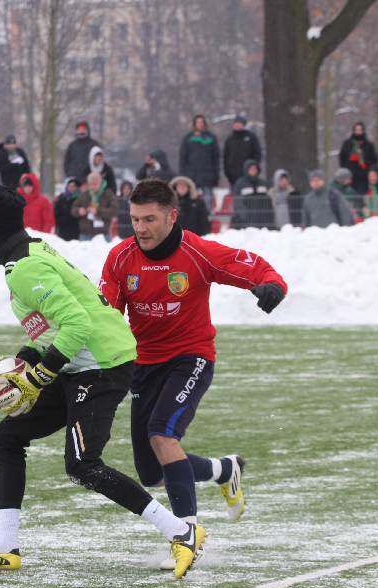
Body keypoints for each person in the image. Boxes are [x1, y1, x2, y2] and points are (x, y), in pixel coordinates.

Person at [0, 185, 204, 578]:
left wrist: (40, 374)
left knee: (84, 465)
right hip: (81, 362)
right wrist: (30, 356)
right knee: (8, 436)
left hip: (102, 364)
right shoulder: (30, 253)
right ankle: (4, 547)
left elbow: (77, 323)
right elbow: (59, 321)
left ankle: (182, 532)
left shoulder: (26, 267)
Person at [99, 178, 287, 567]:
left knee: (162, 434)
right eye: (134, 219)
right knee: (151, 471)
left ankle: (186, 535)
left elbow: (249, 264)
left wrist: (270, 286)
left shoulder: (196, 251)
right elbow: (106, 317)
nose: (141, 228)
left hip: (191, 357)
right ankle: (224, 469)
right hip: (143, 365)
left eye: (149, 219)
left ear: (172, 215)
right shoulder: (120, 259)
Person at [178, 114, 220, 206]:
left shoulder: (211, 138)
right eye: (198, 122)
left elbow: (216, 158)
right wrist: (183, 175)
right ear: (194, 124)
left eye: (202, 122)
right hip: (191, 177)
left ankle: (206, 218)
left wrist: (215, 175)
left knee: (207, 202)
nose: (200, 124)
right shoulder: (188, 138)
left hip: (208, 177)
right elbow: (183, 158)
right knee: (191, 202)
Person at [72, 171, 117, 240]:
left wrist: (98, 211)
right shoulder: (84, 194)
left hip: (103, 235)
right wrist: (79, 211)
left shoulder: (108, 194)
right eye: (90, 184)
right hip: (85, 235)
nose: (92, 187)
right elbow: (73, 209)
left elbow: (114, 211)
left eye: (95, 184)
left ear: (100, 182)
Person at [230, 159, 274, 229]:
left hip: (262, 219)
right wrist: (244, 214)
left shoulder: (263, 183)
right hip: (246, 219)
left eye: (255, 169)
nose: (253, 171)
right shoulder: (240, 184)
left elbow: (268, 200)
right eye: (251, 169)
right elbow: (237, 201)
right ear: (246, 170)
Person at [222, 112, 263, 188]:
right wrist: (228, 173)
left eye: (240, 123)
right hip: (233, 178)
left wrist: (254, 169)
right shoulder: (230, 139)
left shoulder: (251, 137)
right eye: (236, 123)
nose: (238, 125)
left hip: (249, 177)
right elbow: (225, 157)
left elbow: (257, 154)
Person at [338, 122, 378, 194]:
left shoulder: (369, 145)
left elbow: (374, 161)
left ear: (363, 131)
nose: (358, 132)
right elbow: (342, 159)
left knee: (361, 198)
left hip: (363, 178)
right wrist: (349, 161)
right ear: (353, 131)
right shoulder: (347, 144)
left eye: (360, 130)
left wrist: (363, 162)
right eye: (356, 130)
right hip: (349, 177)